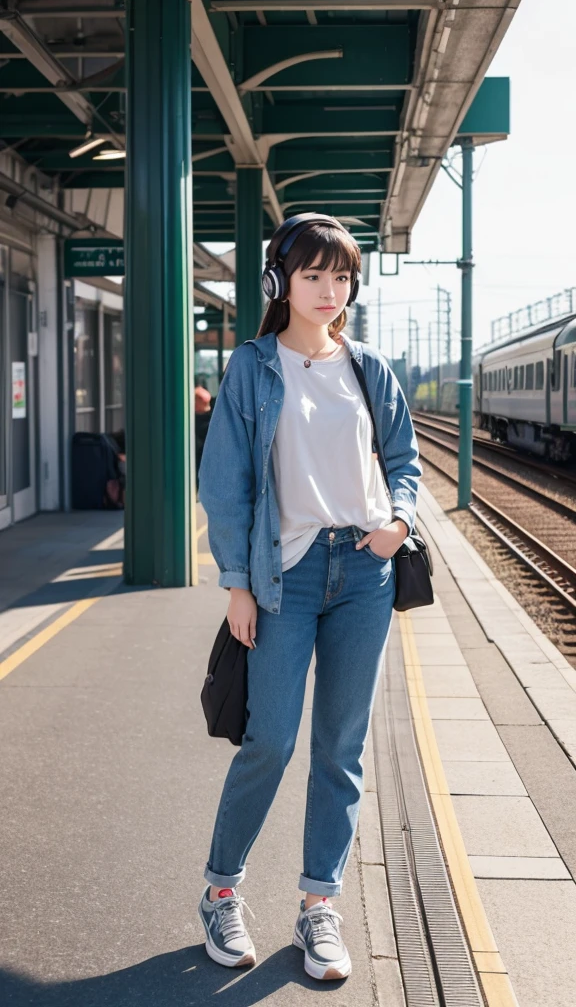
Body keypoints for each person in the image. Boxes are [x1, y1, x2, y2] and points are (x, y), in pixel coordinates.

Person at [197, 213, 421, 981]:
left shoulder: (369, 368)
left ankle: (317, 907)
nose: (330, 291)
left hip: (365, 572)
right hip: (283, 575)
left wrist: (398, 521)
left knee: (340, 749)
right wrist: (236, 583)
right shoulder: (253, 368)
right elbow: (224, 482)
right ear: (279, 282)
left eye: (341, 277)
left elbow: (405, 460)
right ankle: (222, 889)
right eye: (314, 276)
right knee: (272, 739)